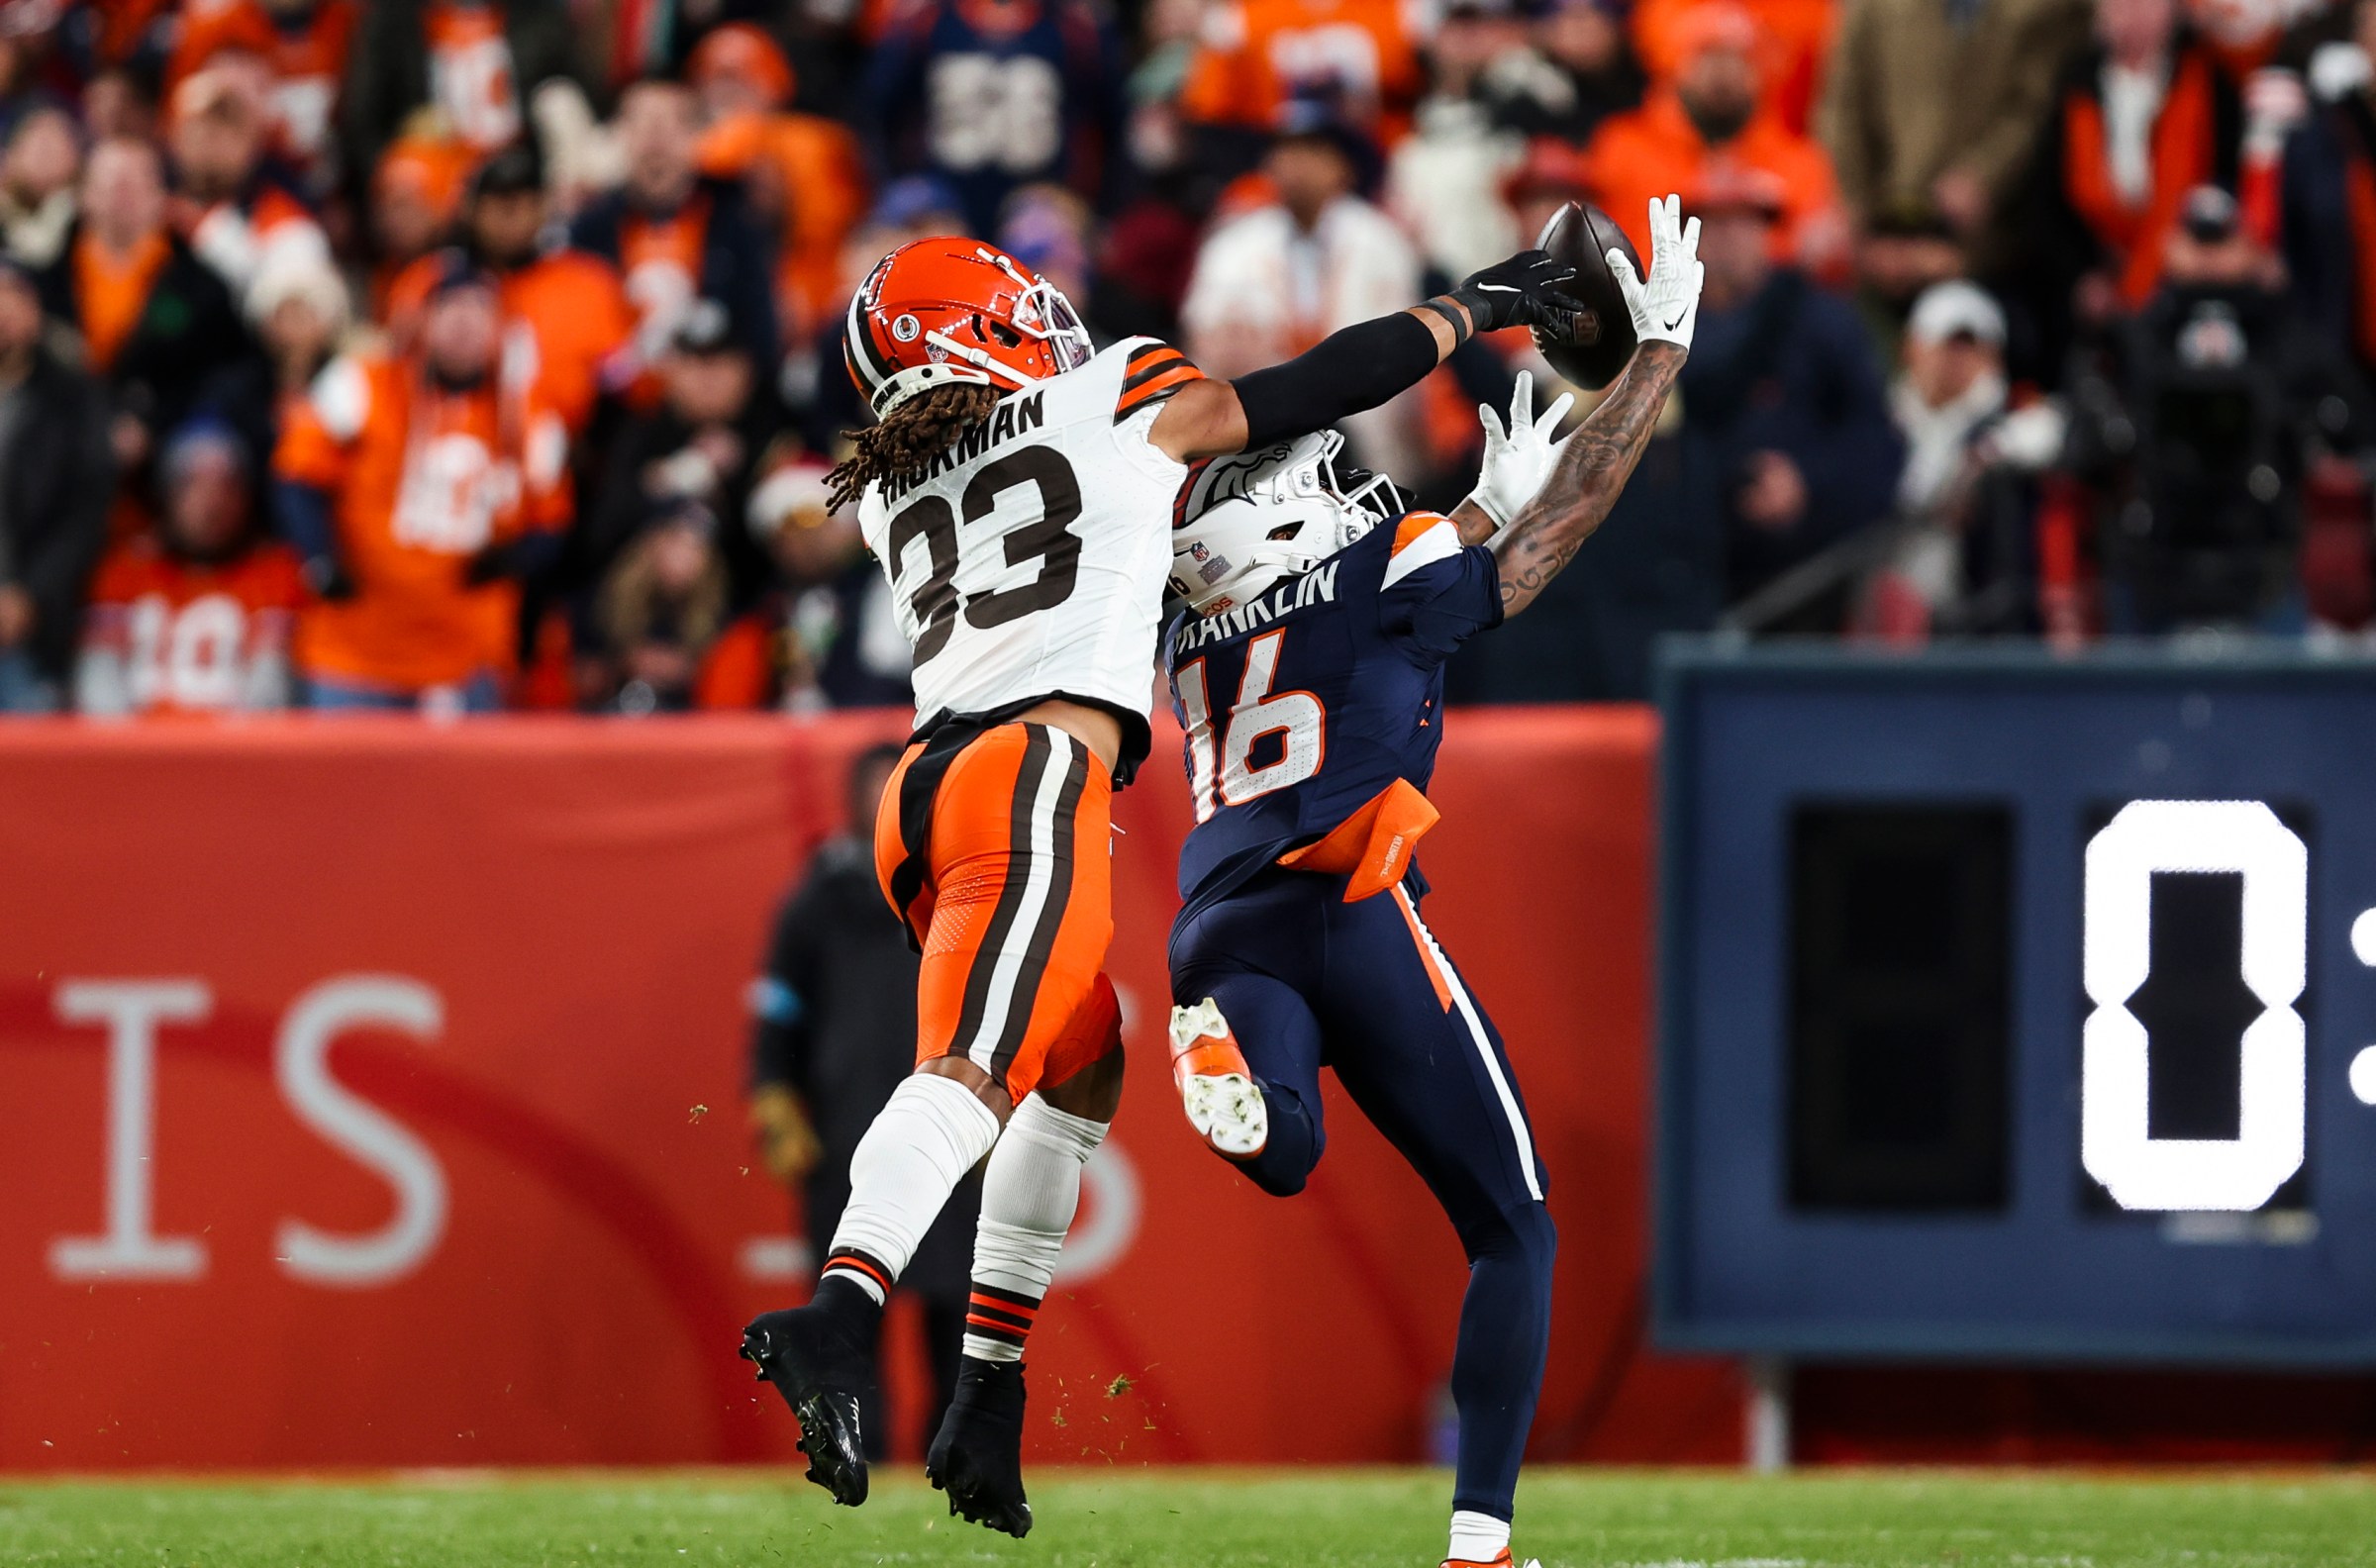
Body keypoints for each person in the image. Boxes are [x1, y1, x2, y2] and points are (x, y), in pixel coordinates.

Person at [738, 232, 1588, 1534]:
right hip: (1029, 772)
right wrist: (1470, 312)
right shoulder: (1110, 394)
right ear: (986, 331)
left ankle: (988, 1387)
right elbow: (1312, 386)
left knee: (1082, 1066)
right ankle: (841, 1315)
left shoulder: (904, 481)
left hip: (926, 790)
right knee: (973, 1074)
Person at [1160, 196, 1701, 1568]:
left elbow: (1349, 602)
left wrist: (1468, 505)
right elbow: (1555, 535)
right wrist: (1656, 364)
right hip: (1354, 905)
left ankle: (1225, 1057)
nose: (1333, 480)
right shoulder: (1379, 564)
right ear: (1279, 512)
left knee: (1282, 1149)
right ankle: (1479, 1541)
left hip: (1222, 925)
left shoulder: (1191, 633)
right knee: (1511, 1227)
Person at [747, 741, 979, 1452]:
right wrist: (774, 1100)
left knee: (959, 1328)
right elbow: (777, 1015)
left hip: (954, 1141)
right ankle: (861, 1464)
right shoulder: (818, 900)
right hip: (848, 1143)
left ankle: (957, 1463)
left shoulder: (966, 891)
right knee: (853, 1319)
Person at [271, 253, 570, 711]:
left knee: (461, 785)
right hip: (353, 653)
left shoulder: (529, 416)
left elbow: (553, 523)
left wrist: (516, 558)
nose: (465, 322)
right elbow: (297, 476)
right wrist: (319, 557)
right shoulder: (363, 383)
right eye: (449, 307)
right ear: (419, 319)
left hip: (464, 657)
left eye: (479, 308)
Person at [1181, 111, 1427, 477]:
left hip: (1368, 440)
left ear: (1342, 165)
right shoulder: (1232, 246)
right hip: (1264, 439)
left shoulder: (1382, 242)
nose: (1295, 164)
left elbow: (1404, 349)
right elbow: (1205, 340)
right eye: (1284, 150)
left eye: (1312, 150)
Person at [75, 418, 305, 716]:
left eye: (227, 485)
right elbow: (98, 674)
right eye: (191, 484)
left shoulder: (274, 572)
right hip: (134, 750)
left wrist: (234, 755)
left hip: (231, 754)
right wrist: (126, 751)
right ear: (167, 493)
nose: (211, 502)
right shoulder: (126, 568)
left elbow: (270, 687)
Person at [860, 0, 1126, 242]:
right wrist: (899, 181)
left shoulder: (1072, 29)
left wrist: (1091, 205)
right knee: (909, 234)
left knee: (1049, 242)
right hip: (944, 194)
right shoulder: (926, 23)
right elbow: (874, 109)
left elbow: (1114, 121)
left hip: (1037, 196)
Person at [571, 75, 781, 379]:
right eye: (641, 125)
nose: (656, 144)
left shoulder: (739, 226)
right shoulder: (587, 234)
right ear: (619, 135)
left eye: (672, 125)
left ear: (698, 135)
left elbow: (760, 337)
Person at [0, 256, 112, 712]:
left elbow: (86, 510)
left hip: (32, 627)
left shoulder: (73, 398)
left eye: (13, 301)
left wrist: (31, 595)